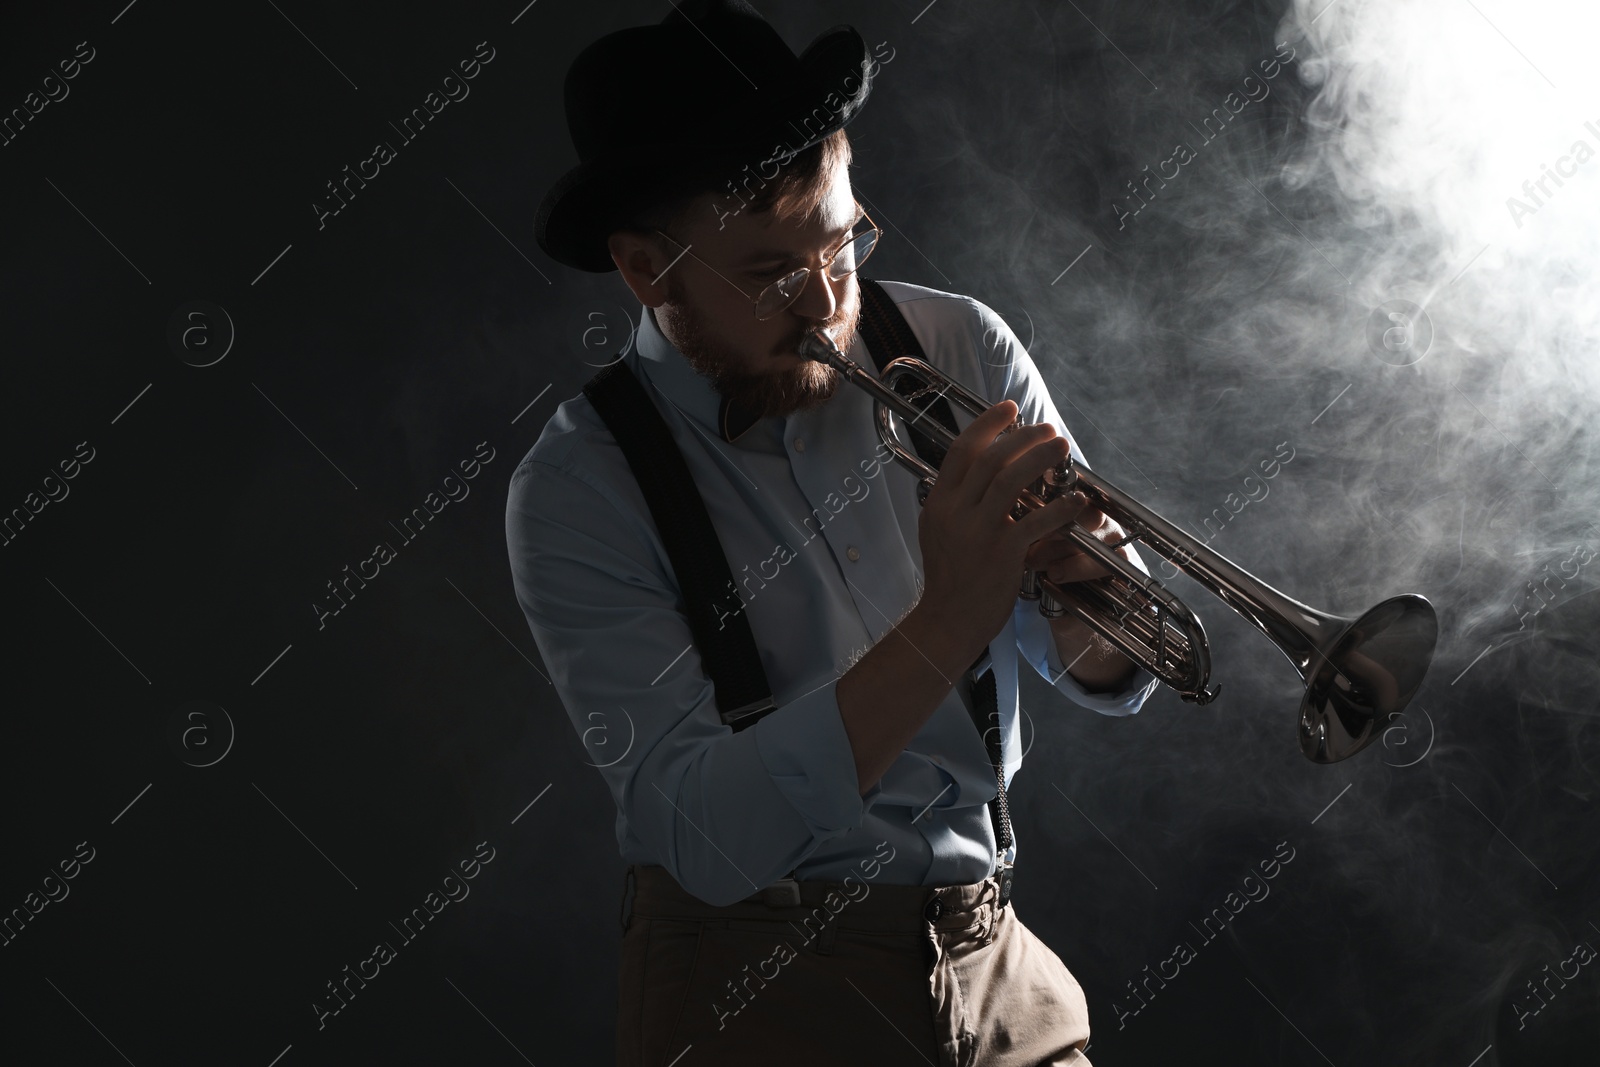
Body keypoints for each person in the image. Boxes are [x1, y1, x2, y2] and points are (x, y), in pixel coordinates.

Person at [506, 3, 1159, 1063]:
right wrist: (949, 614)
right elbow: (703, 834)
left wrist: (1083, 585)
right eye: (769, 272)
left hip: (990, 946)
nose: (826, 304)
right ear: (645, 269)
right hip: (749, 984)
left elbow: (1112, 667)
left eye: (841, 240)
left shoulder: (957, 344)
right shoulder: (578, 485)